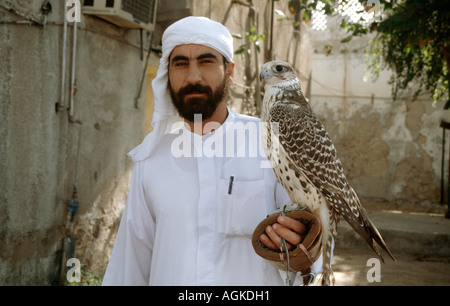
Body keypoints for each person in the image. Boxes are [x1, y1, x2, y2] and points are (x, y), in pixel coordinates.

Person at [102, 16, 322, 286]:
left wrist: (298, 243)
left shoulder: (270, 142)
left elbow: (309, 254)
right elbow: (130, 264)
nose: (193, 76)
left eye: (206, 62)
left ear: (229, 72)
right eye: (180, 63)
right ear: (167, 75)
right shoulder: (151, 160)